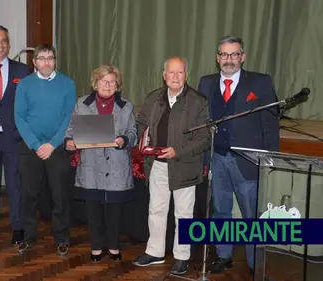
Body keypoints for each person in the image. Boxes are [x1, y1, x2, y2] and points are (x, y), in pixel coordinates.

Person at [199, 36, 279, 275]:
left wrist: (269, 158)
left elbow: (270, 122)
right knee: (220, 211)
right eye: (224, 55)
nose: (229, 60)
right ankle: (223, 255)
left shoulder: (261, 82)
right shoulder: (206, 83)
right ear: (217, 58)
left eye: (234, 54)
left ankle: (257, 264)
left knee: (251, 215)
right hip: (217, 158)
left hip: (248, 161)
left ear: (242, 57)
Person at [133, 57, 210, 275]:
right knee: (156, 210)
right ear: (164, 75)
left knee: (184, 214)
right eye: (171, 73)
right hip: (157, 164)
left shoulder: (198, 101)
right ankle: (155, 252)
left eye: (180, 73)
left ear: (186, 75)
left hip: (184, 165)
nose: (175, 77)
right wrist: (143, 138)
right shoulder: (153, 98)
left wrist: (177, 150)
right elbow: (142, 123)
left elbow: (204, 138)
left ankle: (182, 257)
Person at [64, 65, 137, 262]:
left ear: (118, 85)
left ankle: (113, 246)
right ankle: (96, 246)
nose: (107, 85)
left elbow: (133, 133)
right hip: (91, 165)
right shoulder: (82, 104)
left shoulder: (126, 106)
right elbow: (71, 130)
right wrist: (69, 141)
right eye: (103, 81)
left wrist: (124, 140)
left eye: (112, 81)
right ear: (95, 83)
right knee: (93, 209)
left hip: (116, 164)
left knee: (114, 210)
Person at [14, 44, 76, 256]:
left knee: (60, 196)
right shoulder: (24, 84)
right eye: (42, 58)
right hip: (30, 146)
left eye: (50, 58)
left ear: (55, 60)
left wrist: (52, 143)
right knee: (28, 195)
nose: (46, 62)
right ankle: (28, 237)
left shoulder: (67, 84)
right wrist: (36, 144)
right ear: (34, 62)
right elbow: (19, 116)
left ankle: (62, 238)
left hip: (56, 147)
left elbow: (69, 116)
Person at [0, 25, 31, 244]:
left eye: (4, 41)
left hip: (15, 139)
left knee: (15, 185)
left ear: (8, 44)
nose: (0, 44)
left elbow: (30, 105)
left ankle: (18, 226)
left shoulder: (23, 71)